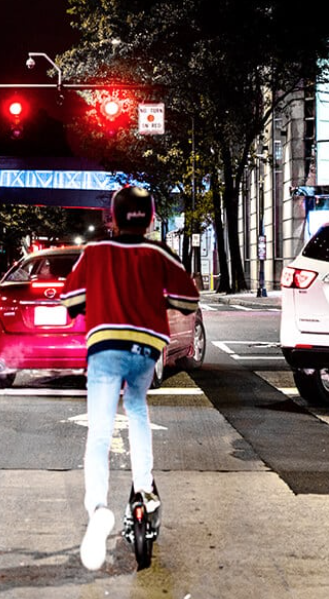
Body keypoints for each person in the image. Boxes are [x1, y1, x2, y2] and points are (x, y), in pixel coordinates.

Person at [61, 186, 200, 570]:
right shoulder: (159, 253)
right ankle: (143, 487)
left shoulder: (95, 253)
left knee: (100, 433)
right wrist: (161, 296)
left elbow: (70, 299)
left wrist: (91, 302)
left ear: (113, 218)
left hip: (105, 346)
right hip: (145, 348)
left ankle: (98, 508)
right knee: (137, 408)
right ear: (151, 218)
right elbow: (188, 299)